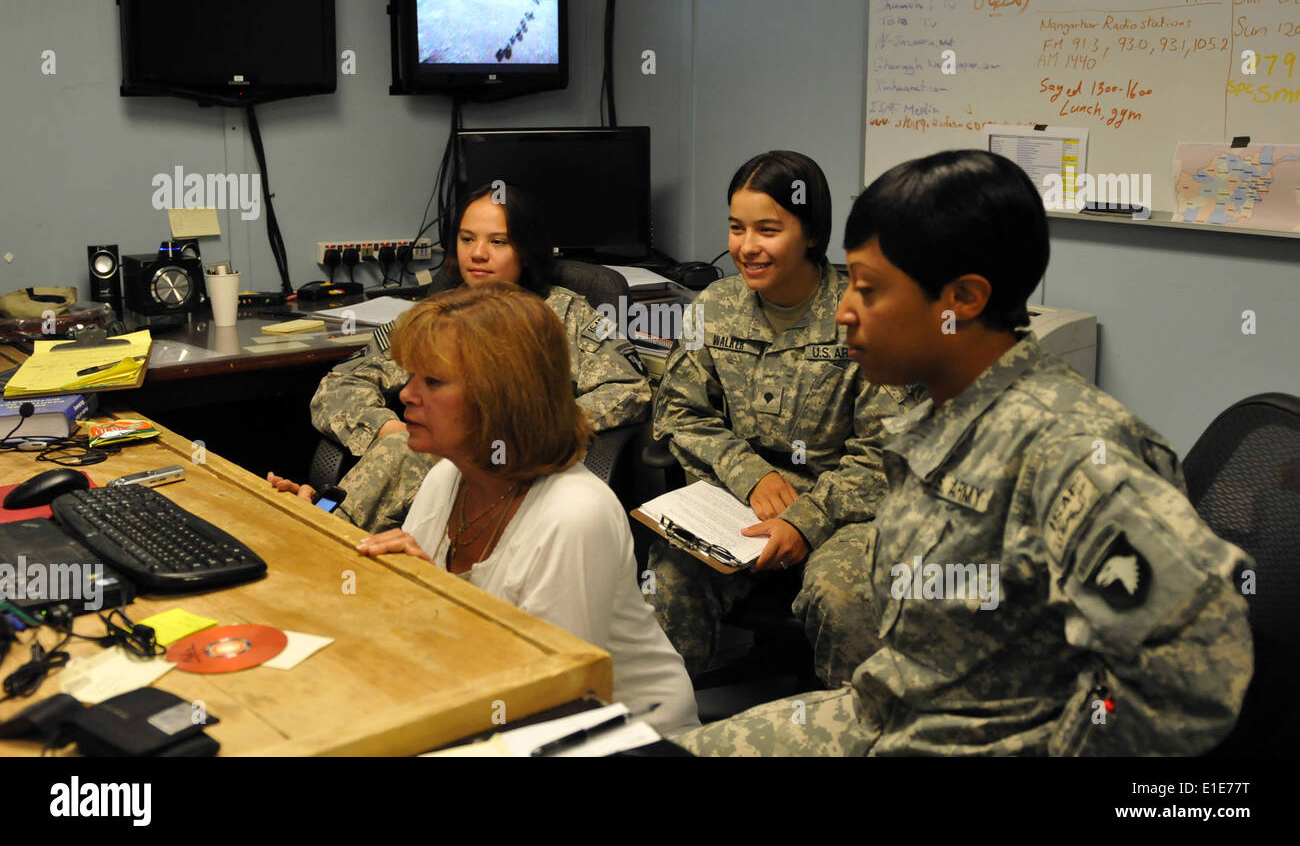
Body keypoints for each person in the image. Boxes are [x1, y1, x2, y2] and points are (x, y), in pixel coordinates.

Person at [678, 149, 1253, 756]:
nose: (844, 310)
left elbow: (1193, 677)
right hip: (889, 714)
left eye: (871, 290)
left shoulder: (1071, 449)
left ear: (963, 300)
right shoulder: (938, 419)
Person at [350, 283, 698, 735]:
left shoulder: (574, 515)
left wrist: (437, 608)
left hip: (621, 737)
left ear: (502, 396)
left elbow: (549, 699)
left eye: (432, 381)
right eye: (411, 377)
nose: (406, 395)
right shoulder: (445, 478)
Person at [646, 150, 919, 680]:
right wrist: (750, 473)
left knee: (841, 595)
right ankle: (660, 730)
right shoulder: (715, 306)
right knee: (669, 580)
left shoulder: (864, 317)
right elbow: (679, 410)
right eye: (736, 228)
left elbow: (885, 456)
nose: (747, 247)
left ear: (811, 233)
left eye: (767, 230)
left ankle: (847, 731)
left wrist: (805, 520)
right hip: (738, 500)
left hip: (847, 511)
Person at [299, 183, 651, 534]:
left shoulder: (569, 315)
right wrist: (385, 426)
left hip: (523, 471)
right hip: (436, 469)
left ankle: (324, 538)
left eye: (497, 242)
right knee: (404, 447)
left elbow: (629, 389)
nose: (477, 253)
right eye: (467, 239)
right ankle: (321, 531)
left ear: (526, 249)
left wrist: (535, 431)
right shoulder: (438, 314)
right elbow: (340, 384)